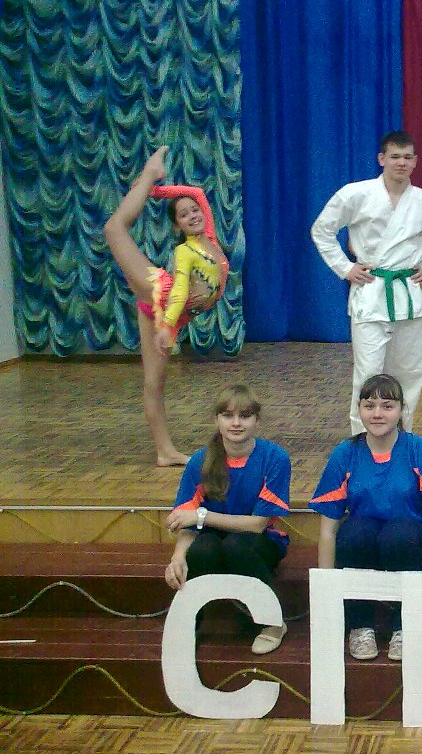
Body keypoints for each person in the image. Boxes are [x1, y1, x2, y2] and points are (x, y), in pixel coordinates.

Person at [310, 374, 422, 661]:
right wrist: (326, 598)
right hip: (365, 547)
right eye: (369, 406)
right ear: (359, 409)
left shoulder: (420, 451)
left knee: (397, 534)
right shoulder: (345, 453)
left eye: (387, 406)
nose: (377, 413)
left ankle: (405, 625)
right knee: (354, 533)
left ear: (402, 410)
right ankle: (360, 624)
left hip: (409, 546)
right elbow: (328, 531)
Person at [311, 131, 422, 435]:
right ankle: (362, 438)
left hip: (407, 294)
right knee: (368, 372)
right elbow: (322, 230)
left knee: (409, 372)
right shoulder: (355, 194)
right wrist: (345, 268)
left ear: (416, 161)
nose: (401, 163)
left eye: (407, 157)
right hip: (371, 292)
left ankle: (403, 435)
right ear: (381, 159)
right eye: (395, 156)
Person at [103, 147, 229, 466]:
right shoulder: (186, 252)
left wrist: (157, 191)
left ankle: (164, 451)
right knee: (114, 229)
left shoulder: (211, 239)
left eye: (194, 211)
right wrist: (166, 325)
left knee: (154, 382)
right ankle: (149, 172)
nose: (193, 215)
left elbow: (196, 192)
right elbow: (181, 289)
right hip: (162, 296)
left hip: (168, 314)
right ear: (178, 227)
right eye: (184, 215)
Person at [164, 384, 291, 655]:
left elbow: (258, 524)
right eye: (227, 415)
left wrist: (202, 516)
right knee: (201, 549)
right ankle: (190, 621)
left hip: (260, 542)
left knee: (235, 545)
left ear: (257, 420)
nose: (236, 423)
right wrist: (177, 558)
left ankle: (273, 620)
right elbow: (187, 522)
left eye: (244, 416)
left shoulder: (275, 458)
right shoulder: (199, 462)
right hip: (214, 540)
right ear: (216, 420)